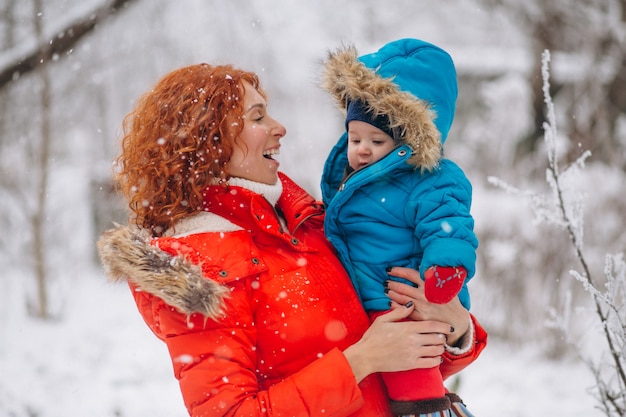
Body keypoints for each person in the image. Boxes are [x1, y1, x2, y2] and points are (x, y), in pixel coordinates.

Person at [96, 62, 487, 417]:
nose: (279, 127)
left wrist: (454, 328)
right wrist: (362, 361)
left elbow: (404, 364)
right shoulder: (195, 265)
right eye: (258, 116)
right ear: (209, 139)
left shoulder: (309, 225)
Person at [320, 39, 479, 416]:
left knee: (411, 367)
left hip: (410, 298)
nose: (361, 149)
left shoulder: (433, 180)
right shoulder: (356, 176)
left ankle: (428, 408)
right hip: (372, 295)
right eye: (354, 138)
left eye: (376, 140)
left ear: (408, 141)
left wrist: (445, 270)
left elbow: (450, 227)